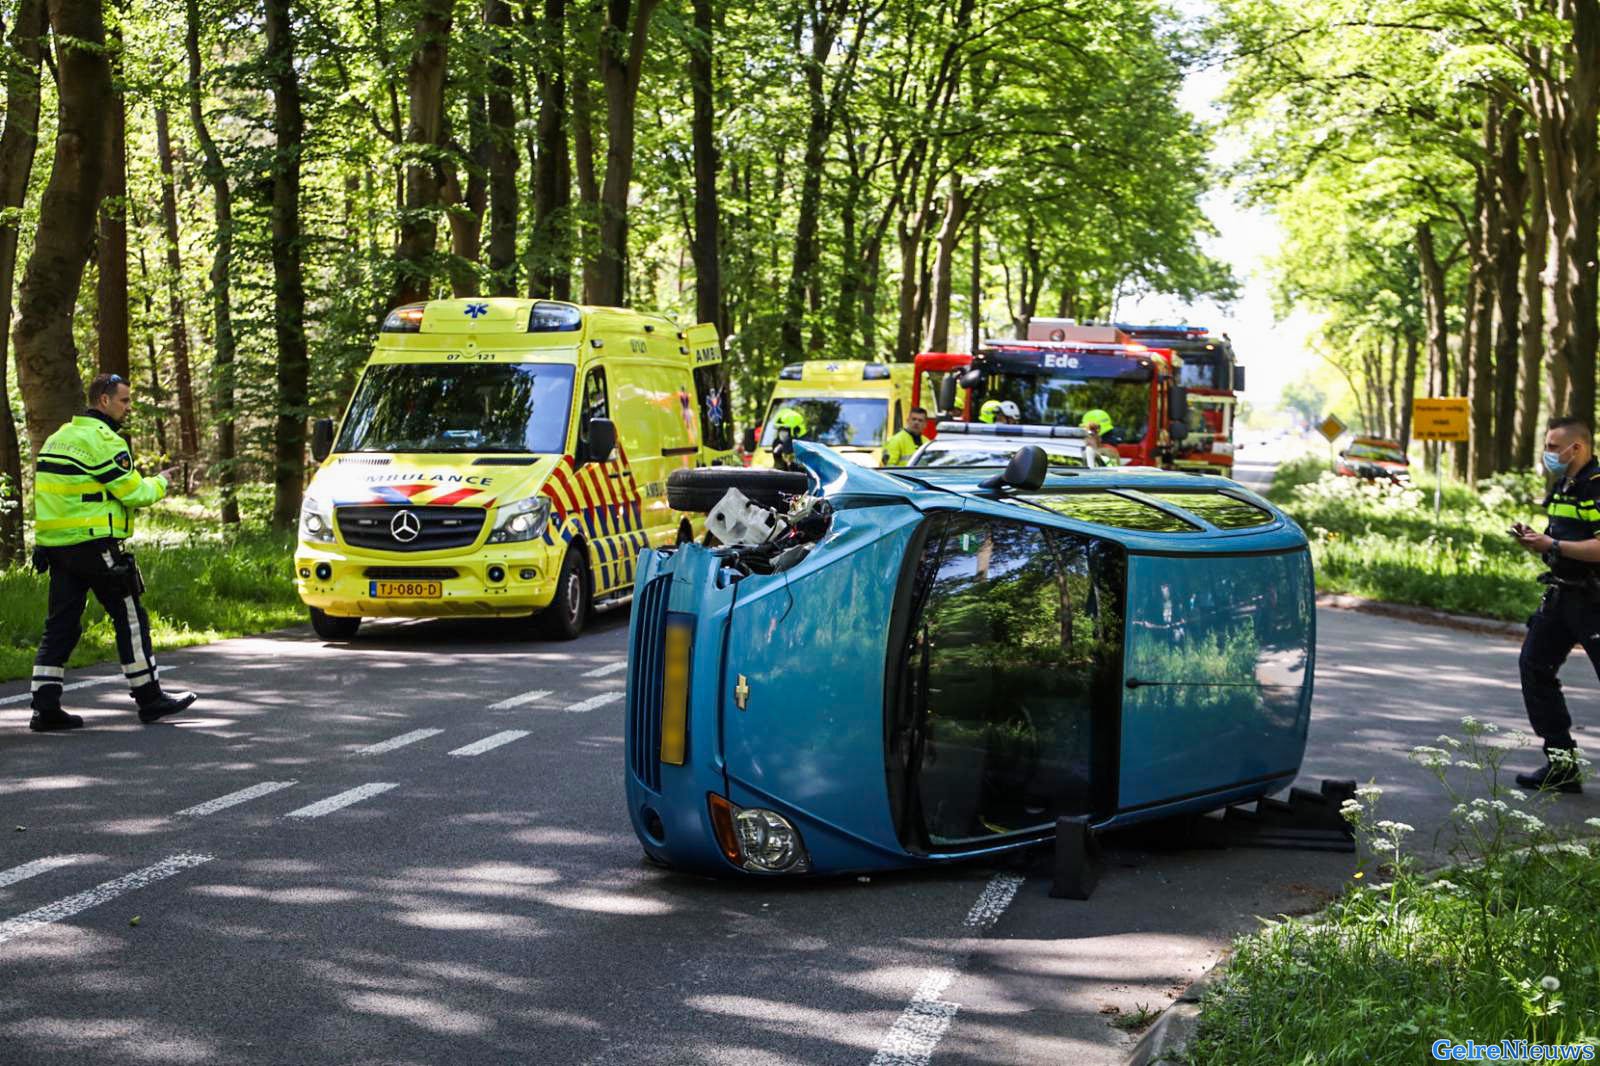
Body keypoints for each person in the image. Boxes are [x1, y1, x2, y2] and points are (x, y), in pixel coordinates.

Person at [27, 374, 197, 732]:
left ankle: (45, 707)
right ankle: (149, 697)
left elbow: (47, 496)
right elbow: (135, 493)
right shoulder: (105, 441)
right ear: (103, 401)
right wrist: (162, 481)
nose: (128, 408)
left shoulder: (58, 438)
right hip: (94, 545)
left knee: (60, 626)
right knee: (131, 618)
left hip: (58, 549)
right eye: (124, 401)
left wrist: (43, 543)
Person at [1509, 415, 1600, 792]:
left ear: (1575, 448)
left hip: (1594, 599)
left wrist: (1555, 546)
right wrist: (1538, 540)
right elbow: (1559, 538)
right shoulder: (1564, 485)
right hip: (1562, 594)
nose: (1547, 454)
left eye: (1551, 447)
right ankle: (1561, 765)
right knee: (1534, 665)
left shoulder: (1596, 487)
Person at [770, 407, 807, 471]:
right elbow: (780, 473)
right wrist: (778, 459)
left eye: (784, 430)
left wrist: (790, 456)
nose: (781, 433)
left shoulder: (806, 450)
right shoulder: (779, 446)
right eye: (780, 430)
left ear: (796, 430)